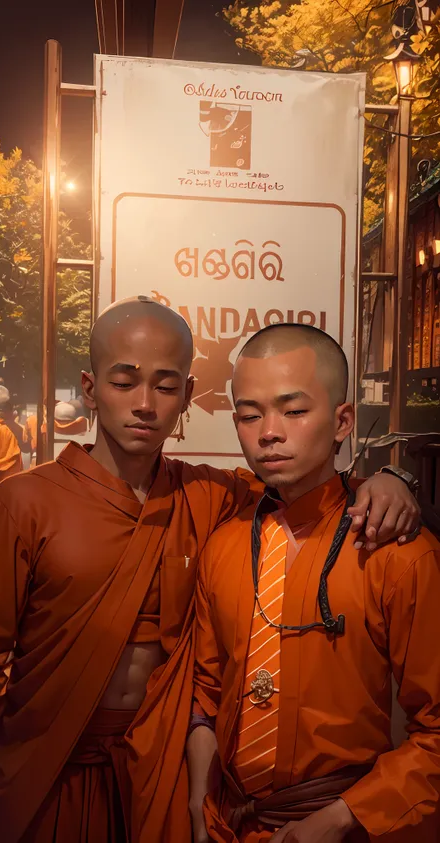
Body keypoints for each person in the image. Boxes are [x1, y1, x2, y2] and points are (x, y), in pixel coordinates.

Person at [0, 299, 419, 843]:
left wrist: (389, 478)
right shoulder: (22, 502)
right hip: (42, 757)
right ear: (89, 388)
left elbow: (309, 487)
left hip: (157, 766)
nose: (144, 404)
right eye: (124, 382)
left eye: (164, 385)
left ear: (187, 392)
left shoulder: (207, 494)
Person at [188, 323, 440, 843]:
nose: (268, 432)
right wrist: (199, 800)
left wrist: (340, 818)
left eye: (294, 410)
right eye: (249, 414)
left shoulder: (396, 550)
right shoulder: (225, 542)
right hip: (229, 823)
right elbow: (206, 697)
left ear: (342, 419)